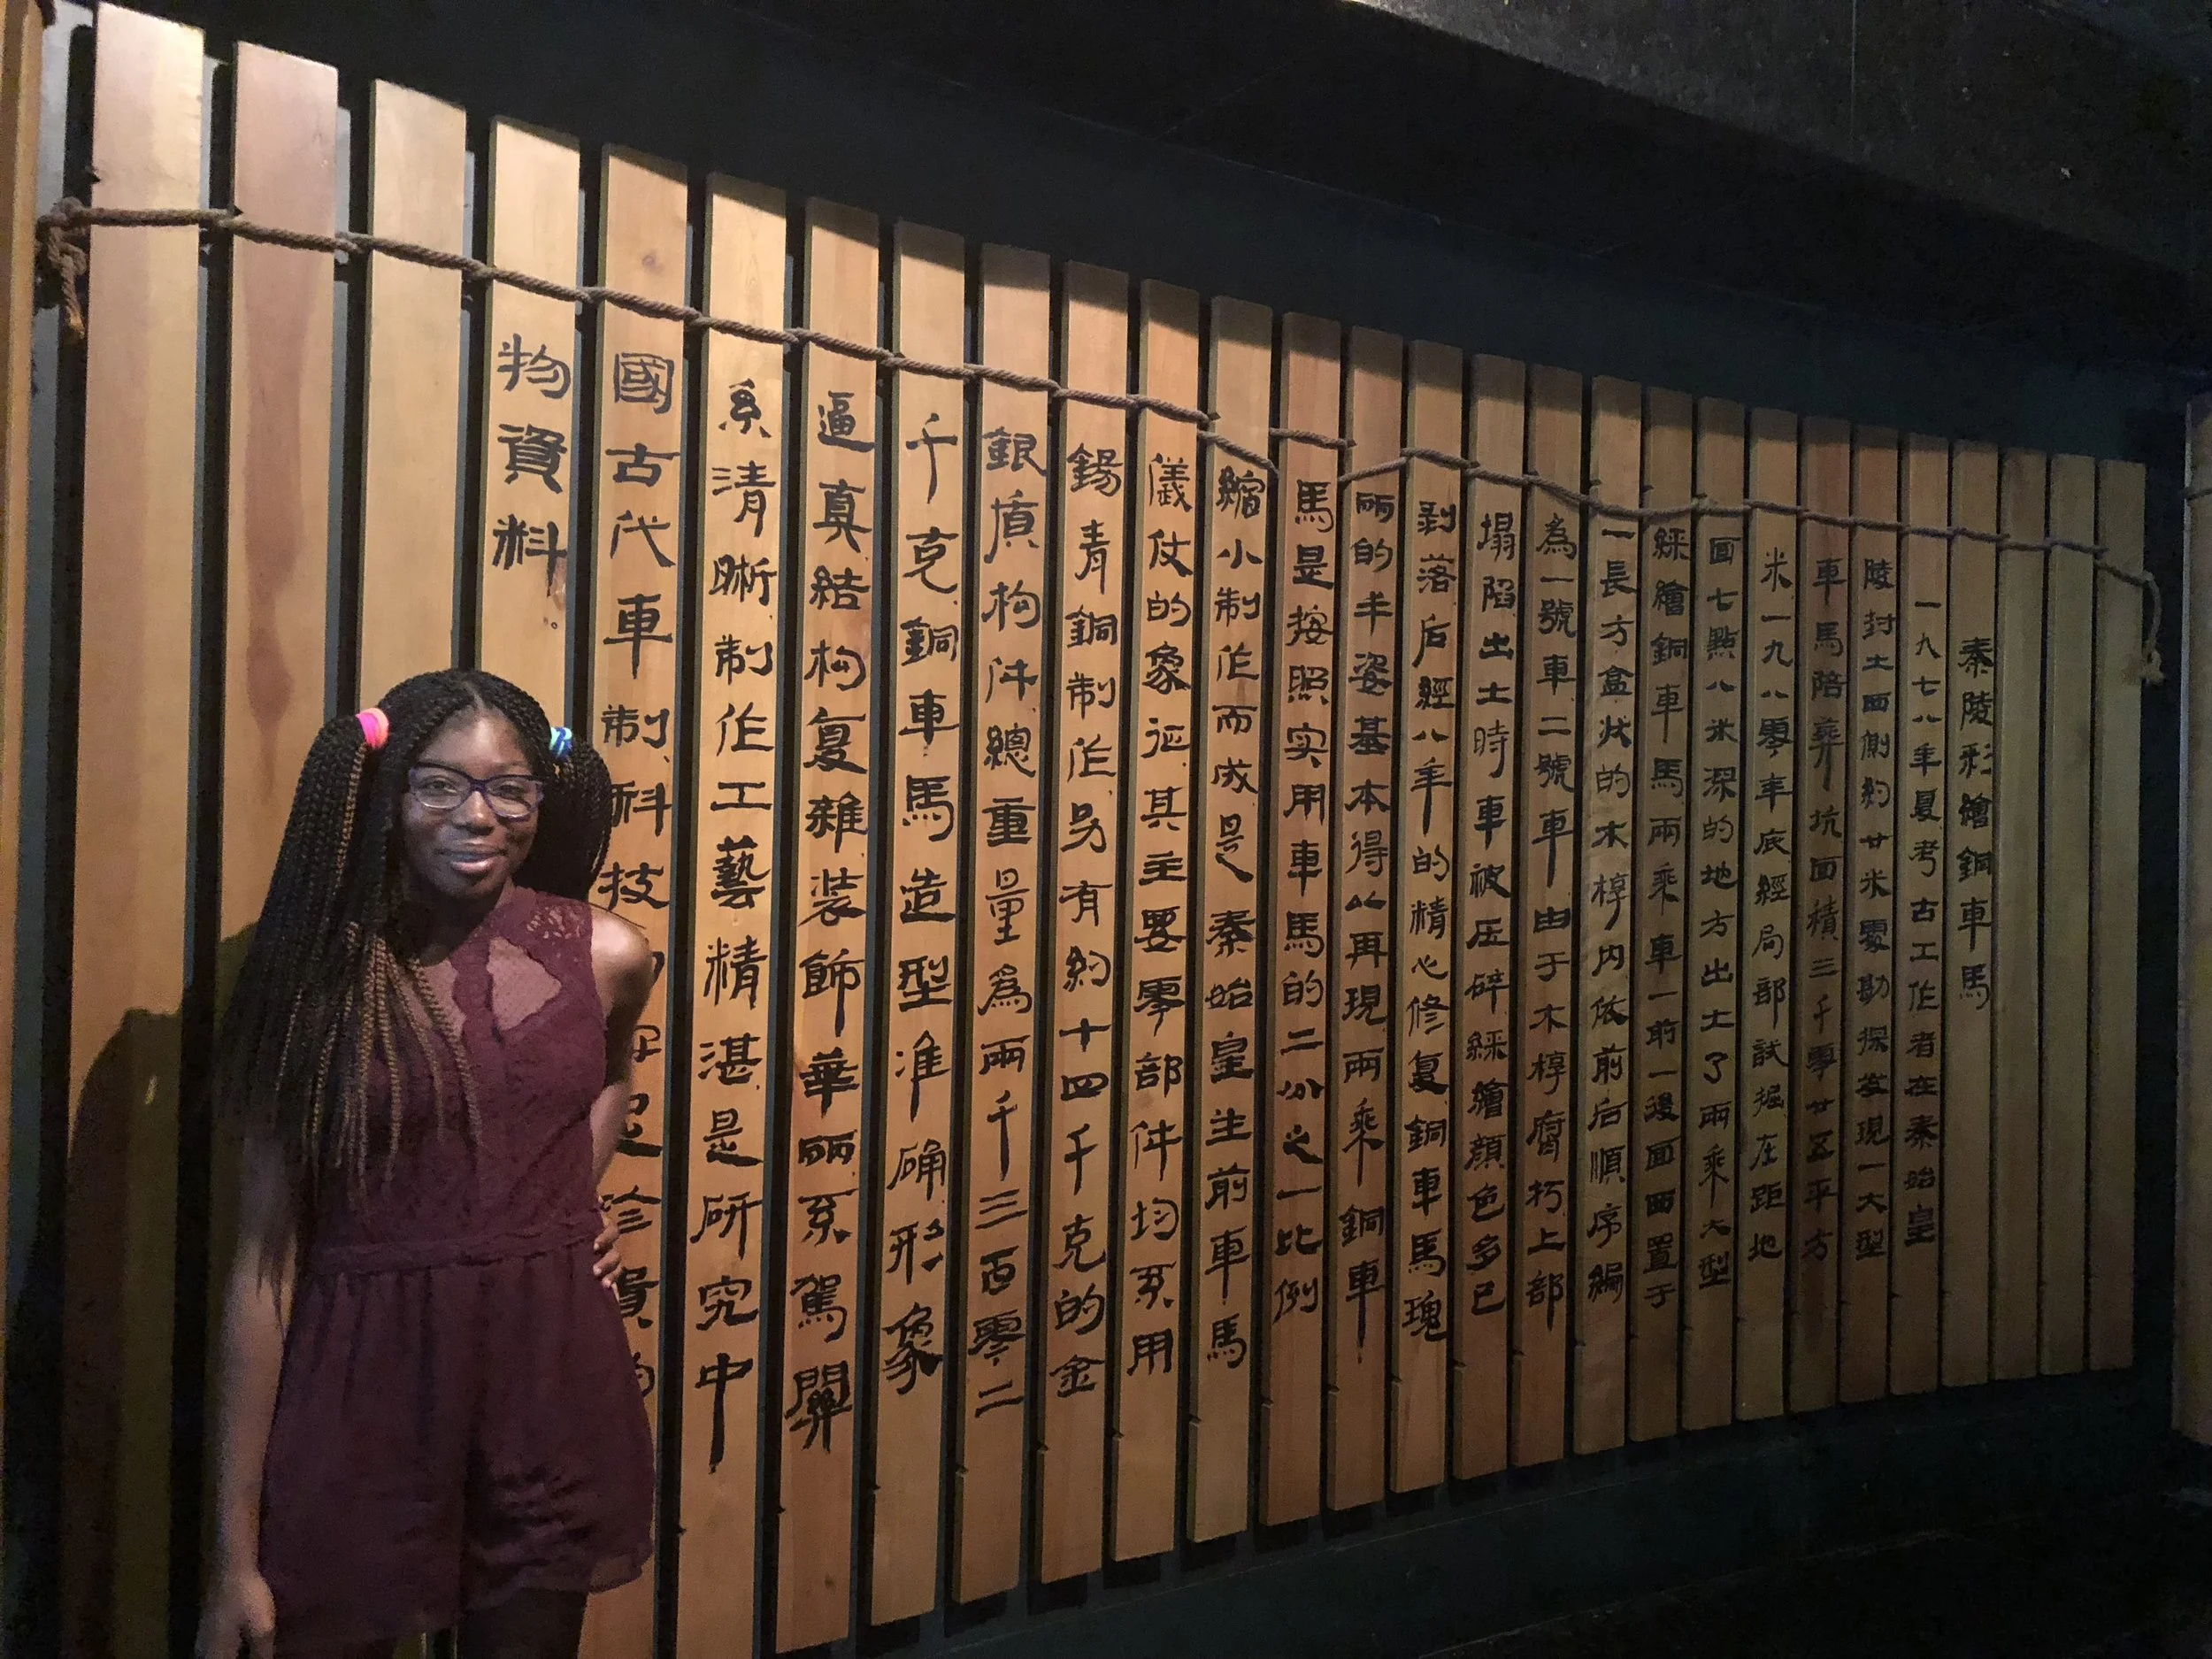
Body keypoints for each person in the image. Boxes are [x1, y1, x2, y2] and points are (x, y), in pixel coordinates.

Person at [195, 669, 657, 1659]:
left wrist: (564, 1204)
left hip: (549, 1376)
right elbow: (263, 1265)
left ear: (542, 797)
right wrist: (230, 1555)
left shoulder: (610, 954)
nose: (476, 816)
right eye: (438, 785)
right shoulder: (315, 979)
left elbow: (610, 1071)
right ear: (384, 790)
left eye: (508, 788)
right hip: (364, 1378)